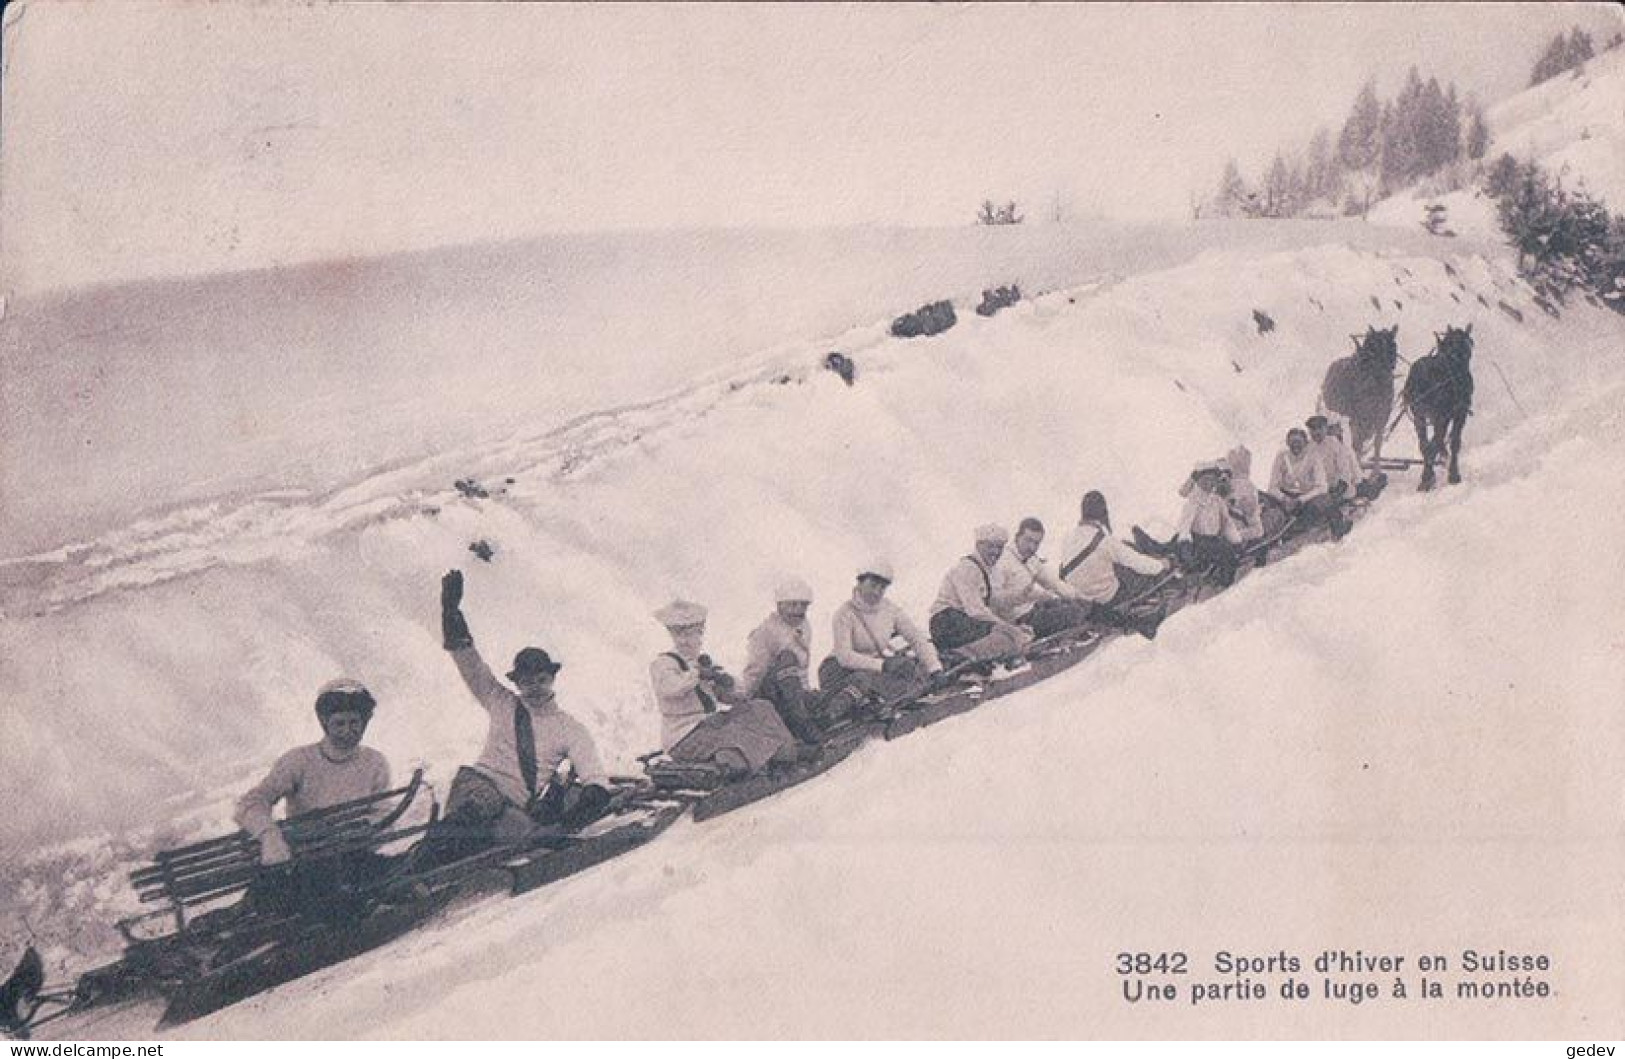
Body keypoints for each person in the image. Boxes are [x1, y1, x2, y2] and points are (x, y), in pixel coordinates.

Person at [417, 570, 612, 868]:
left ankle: (428, 876)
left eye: (541, 679)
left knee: (512, 841)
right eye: (527, 681)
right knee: (475, 815)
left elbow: (595, 780)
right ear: (517, 683)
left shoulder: (570, 729)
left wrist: (573, 818)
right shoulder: (501, 701)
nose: (534, 687)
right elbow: (469, 662)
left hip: (511, 808)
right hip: (475, 789)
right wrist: (451, 613)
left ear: (552, 679)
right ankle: (411, 869)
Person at [233, 679, 394, 913]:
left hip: (354, 860)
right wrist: (269, 836)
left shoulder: (375, 762)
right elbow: (250, 803)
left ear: (365, 722)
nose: (347, 731)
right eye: (339, 723)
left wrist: (367, 830)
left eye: (354, 723)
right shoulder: (300, 761)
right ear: (324, 723)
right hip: (305, 865)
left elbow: (383, 812)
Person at [651, 599, 797, 778]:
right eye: (679, 635)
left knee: (760, 708)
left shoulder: (701, 661)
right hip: (685, 735)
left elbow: (736, 694)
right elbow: (673, 689)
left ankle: (785, 756)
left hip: (709, 725)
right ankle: (735, 766)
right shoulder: (664, 664)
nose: (685, 641)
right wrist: (698, 674)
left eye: (692, 634)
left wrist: (725, 682)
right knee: (737, 737)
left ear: (700, 634)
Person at [818, 559, 944, 717]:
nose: (877, 592)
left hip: (873, 668)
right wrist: (883, 665)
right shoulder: (844, 614)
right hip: (839, 670)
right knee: (863, 680)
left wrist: (935, 668)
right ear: (860, 582)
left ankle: (874, 703)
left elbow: (916, 638)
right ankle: (833, 714)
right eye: (872, 585)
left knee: (911, 670)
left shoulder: (890, 610)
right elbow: (844, 656)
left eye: (882, 587)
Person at [1059, 491, 1170, 639]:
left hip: (1080, 598)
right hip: (1107, 597)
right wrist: (1162, 565)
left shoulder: (1068, 538)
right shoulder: (1105, 541)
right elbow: (1140, 564)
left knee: (1109, 559)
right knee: (1136, 565)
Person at [928, 524, 1034, 664]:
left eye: (1000, 547)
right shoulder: (968, 568)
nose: (995, 552)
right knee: (1007, 636)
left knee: (1012, 634)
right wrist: (1009, 628)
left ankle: (965, 656)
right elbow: (976, 610)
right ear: (978, 545)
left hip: (959, 620)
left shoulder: (982, 569)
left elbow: (994, 602)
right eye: (991, 547)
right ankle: (958, 657)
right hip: (947, 621)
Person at [740, 577, 826, 744]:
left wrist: (805, 692)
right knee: (788, 657)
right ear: (779, 606)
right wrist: (746, 701)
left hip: (791, 694)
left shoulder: (803, 627)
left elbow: (802, 669)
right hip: (769, 695)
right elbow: (755, 671)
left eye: (803, 605)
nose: (798, 610)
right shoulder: (766, 632)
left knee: (822, 699)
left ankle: (803, 716)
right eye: (792, 605)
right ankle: (800, 724)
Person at [990, 517, 1093, 638]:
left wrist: (1079, 595)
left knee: (1077, 603)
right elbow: (995, 601)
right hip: (1019, 619)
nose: (1032, 547)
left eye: (1036, 543)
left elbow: (1053, 582)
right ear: (1017, 536)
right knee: (1074, 612)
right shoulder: (1002, 561)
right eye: (1028, 540)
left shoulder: (1031, 559)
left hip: (1035, 608)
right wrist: (1024, 596)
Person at [1171, 460, 1244, 587]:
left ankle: (1225, 581)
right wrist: (1185, 543)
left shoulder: (1217, 500)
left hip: (1213, 539)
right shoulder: (1193, 502)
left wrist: (1236, 540)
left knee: (1229, 553)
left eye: (1212, 480)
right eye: (1206, 480)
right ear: (1199, 481)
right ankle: (1220, 583)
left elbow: (1227, 523)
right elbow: (1185, 525)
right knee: (1224, 553)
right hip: (1199, 541)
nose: (1209, 483)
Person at [1268, 428, 1351, 539]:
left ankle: (1337, 527)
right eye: (1293, 442)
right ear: (1288, 443)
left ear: (1305, 443)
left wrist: (1302, 500)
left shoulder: (1313, 457)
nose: (1296, 446)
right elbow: (1272, 486)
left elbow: (1322, 486)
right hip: (1286, 497)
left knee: (1325, 501)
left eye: (1299, 443)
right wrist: (1284, 498)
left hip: (1307, 498)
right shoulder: (1281, 457)